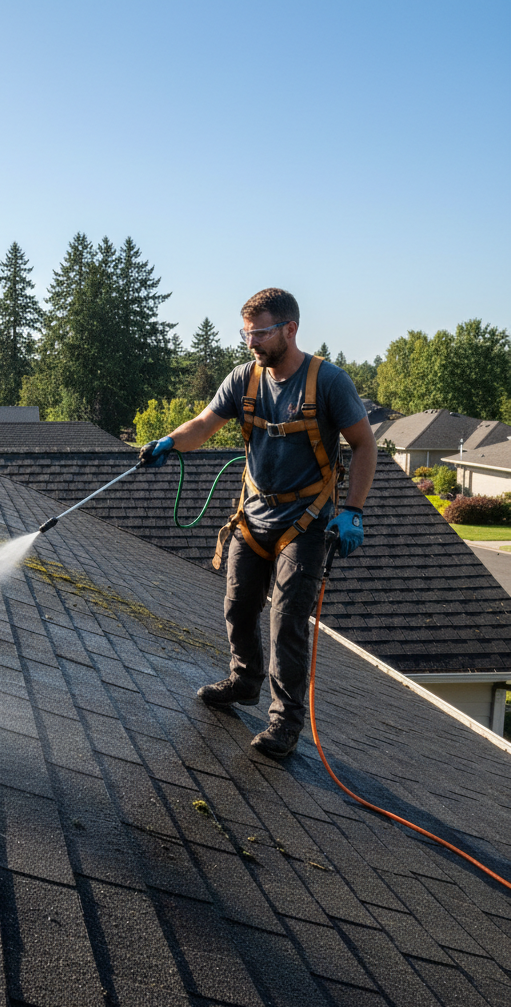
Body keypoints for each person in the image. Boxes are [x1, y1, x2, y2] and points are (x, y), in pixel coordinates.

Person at [139, 288, 376, 758]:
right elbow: (204, 424)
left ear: (290, 329)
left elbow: (364, 446)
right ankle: (244, 680)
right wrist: (169, 441)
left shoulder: (328, 383)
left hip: (305, 522)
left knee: (287, 621)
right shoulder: (244, 379)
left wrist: (352, 510)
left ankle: (285, 723)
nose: (252, 343)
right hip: (252, 513)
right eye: (247, 333)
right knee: (239, 605)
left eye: (261, 333)